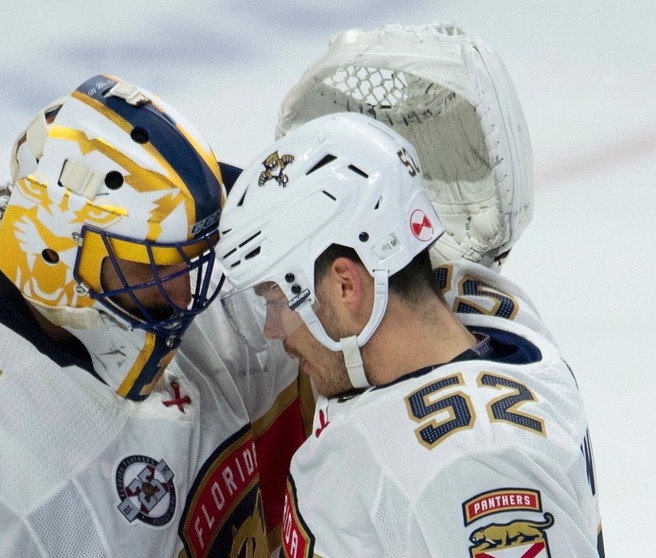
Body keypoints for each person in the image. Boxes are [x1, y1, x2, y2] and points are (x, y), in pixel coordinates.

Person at [0, 74, 308, 557]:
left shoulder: (135, 270)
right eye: (155, 265)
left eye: (190, 259)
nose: (186, 292)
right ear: (56, 253)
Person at [215, 111, 604, 556]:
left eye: (276, 299)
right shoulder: (481, 311)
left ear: (346, 286)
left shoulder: (473, 467)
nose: (271, 329)